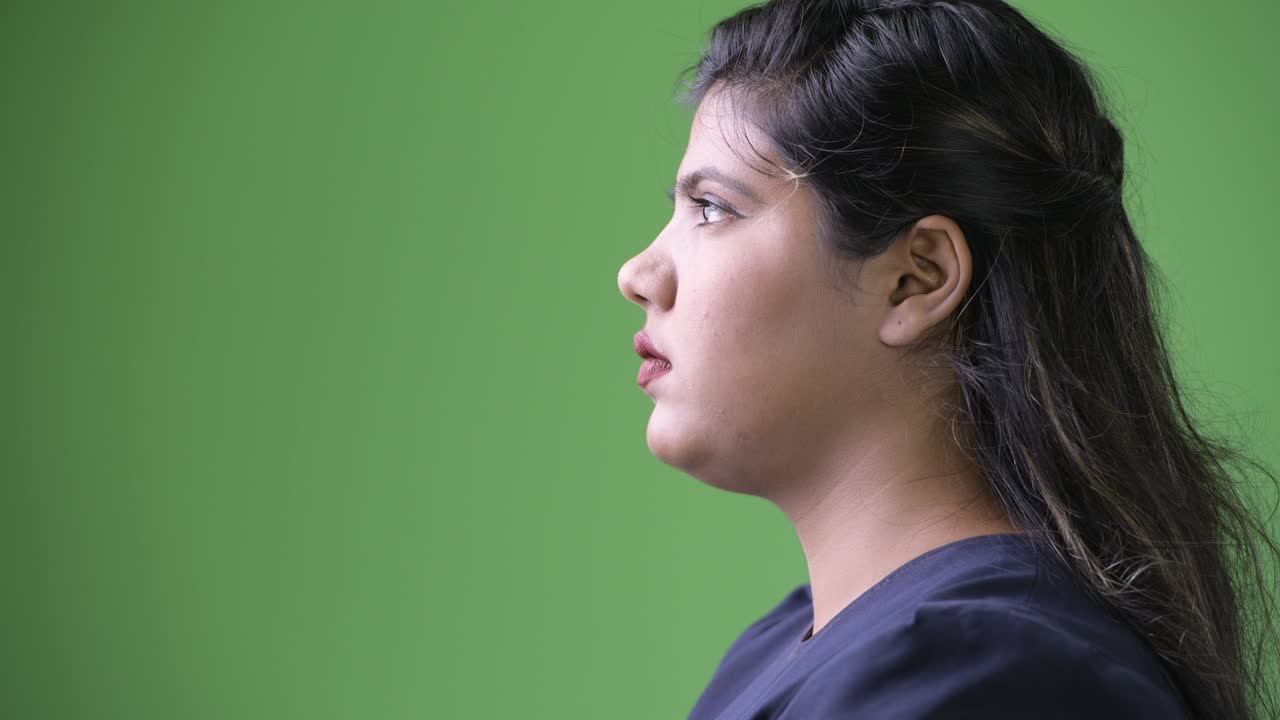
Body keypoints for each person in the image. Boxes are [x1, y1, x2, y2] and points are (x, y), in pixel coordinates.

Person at [615, 1, 1280, 718]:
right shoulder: (799, 642)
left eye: (713, 208)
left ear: (916, 279)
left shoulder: (984, 672)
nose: (638, 273)